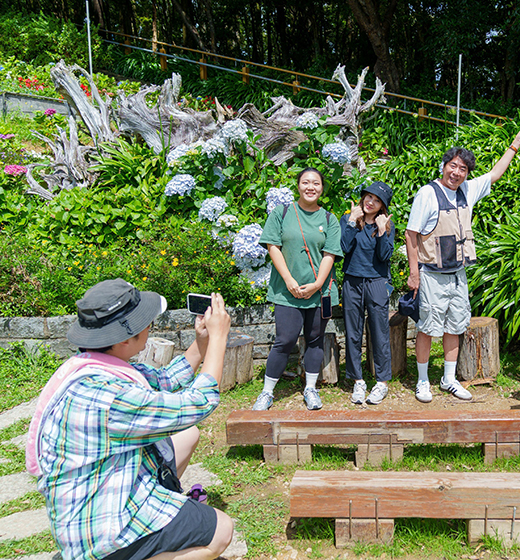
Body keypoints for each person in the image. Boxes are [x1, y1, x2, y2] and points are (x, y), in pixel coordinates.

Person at [25, 279, 233, 560]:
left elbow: (164, 380)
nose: (150, 326)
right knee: (220, 530)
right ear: (124, 339)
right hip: (97, 529)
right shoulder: (107, 397)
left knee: (188, 435)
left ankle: (155, 521)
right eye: (146, 322)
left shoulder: (92, 365)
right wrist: (220, 338)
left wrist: (202, 343)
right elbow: (199, 401)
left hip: (99, 489)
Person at [405, 124, 520, 403]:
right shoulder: (427, 193)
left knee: (455, 326)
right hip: (432, 274)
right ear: (443, 166)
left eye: (463, 169)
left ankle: (448, 379)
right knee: (427, 328)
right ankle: (422, 381)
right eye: (453, 166)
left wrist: (515, 145)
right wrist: (414, 274)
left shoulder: (467, 190)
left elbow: (495, 174)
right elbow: (410, 233)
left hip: (458, 274)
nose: (456, 172)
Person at [253, 167, 341, 411]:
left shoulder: (329, 219)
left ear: (322, 188)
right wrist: (289, 280)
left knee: (315, 340)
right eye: (306, 182)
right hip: (286, 291)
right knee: (285, 340)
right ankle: (267, 392)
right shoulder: (282, 213)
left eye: (316, 183)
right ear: (298, 185)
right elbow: (273, 247)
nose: (310, 187)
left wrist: (317, 284)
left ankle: (310, 388)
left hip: (319, 292)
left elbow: (330, 254)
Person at [340, 181, 395, 405]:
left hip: (377, 282)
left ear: (382, 206)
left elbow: (384, 256)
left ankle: (382, 382)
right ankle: (358, 380)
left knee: (380, 332)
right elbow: (343, 248)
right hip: (352, 281)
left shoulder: (387, 225)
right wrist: (352, 222)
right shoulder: (349, 219)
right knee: (353, 332)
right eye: (369, 197)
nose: (371, 202)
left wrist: (381, 231)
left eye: (377, 200)